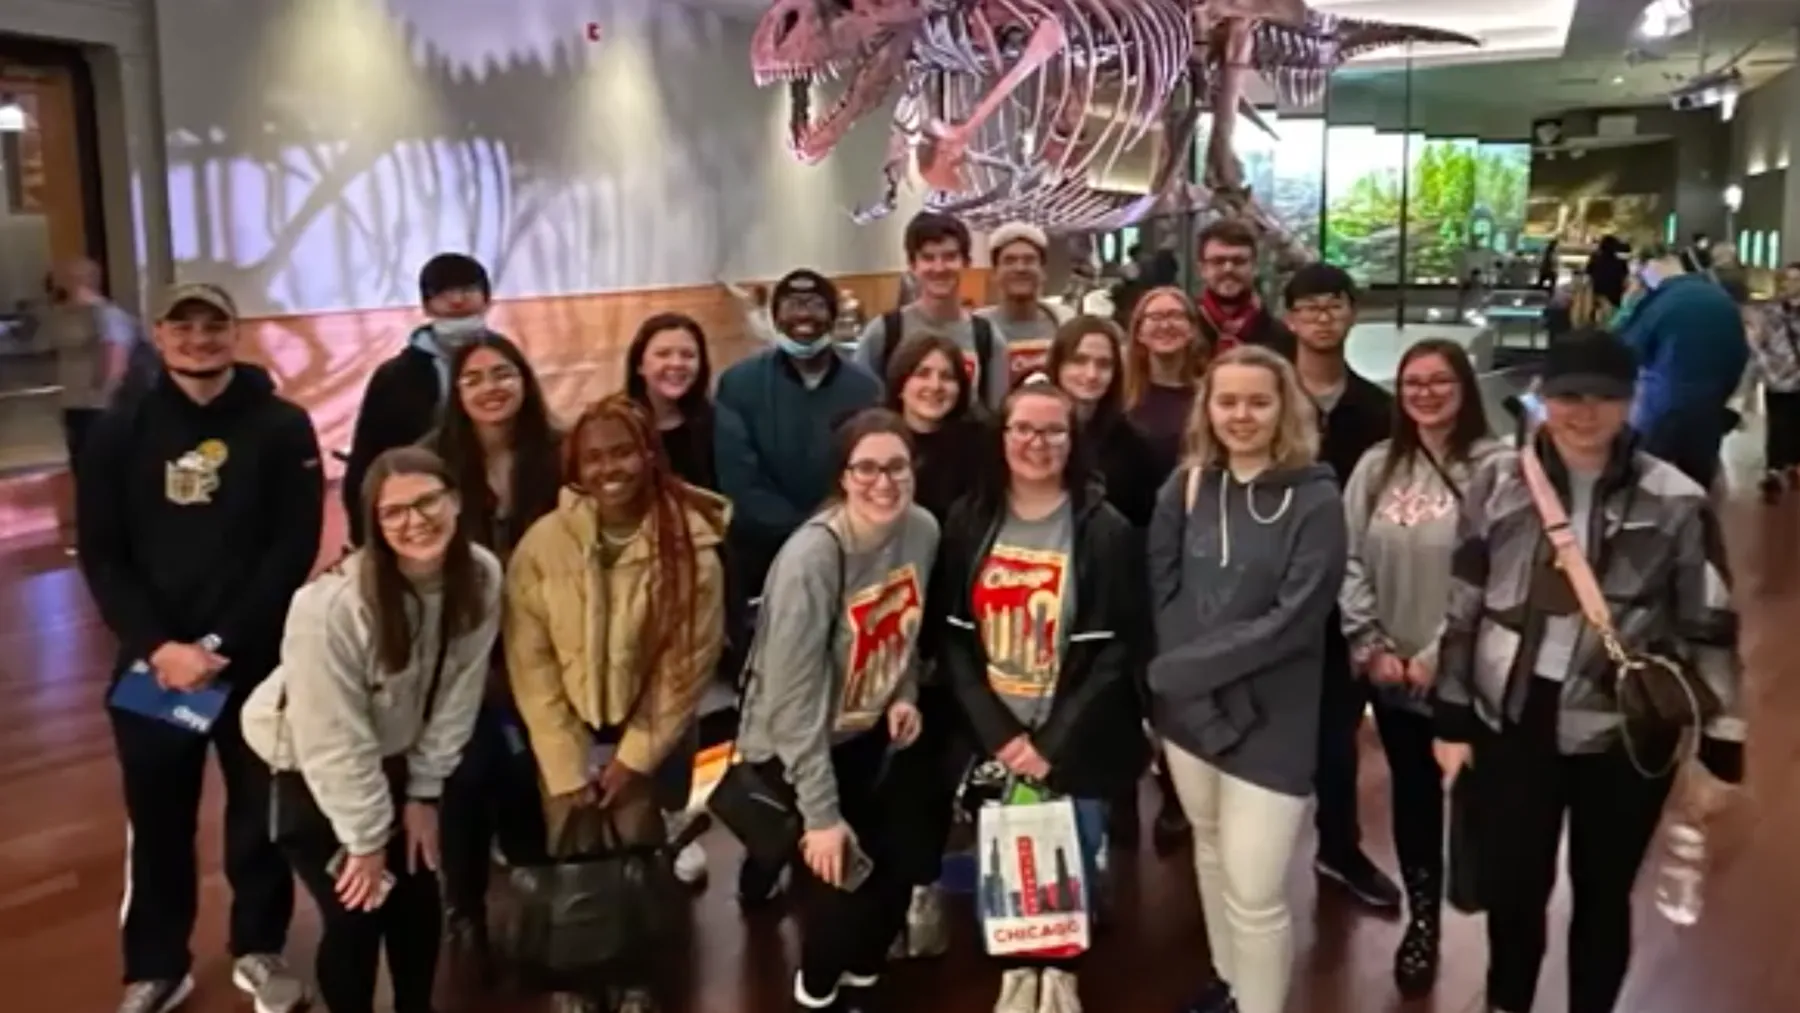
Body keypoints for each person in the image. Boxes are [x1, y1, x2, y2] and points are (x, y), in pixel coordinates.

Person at [1432, 331, 1745, 1013]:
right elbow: (1463, 603)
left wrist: (1723, 745)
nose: (1584, 411)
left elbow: (1710, 622)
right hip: (1513, 717)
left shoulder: (1675, 498)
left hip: (1624, 731)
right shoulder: (1496, 480)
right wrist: (1451, 713)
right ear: (1543, 397)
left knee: (1603, 894)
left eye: (1605, 396)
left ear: (1631, 401)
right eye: (1569, 394)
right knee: (1515, 889)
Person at [78, 281, 323, 1013]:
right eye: (182, 324)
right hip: (161, 668)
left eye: (213, 323)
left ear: (236, 331)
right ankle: (156, 964)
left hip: (253, 663)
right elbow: (103, 555)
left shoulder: (282, 426)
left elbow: (292, 549)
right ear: (158, 332)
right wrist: (162, 646)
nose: (198, 337)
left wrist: (215, 643)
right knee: (157, 819)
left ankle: (259, 947)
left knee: (259, 813)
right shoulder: (118, 430)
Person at [241, 446, 501, 1013]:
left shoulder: (480, 573)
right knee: (357, 911)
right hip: (305, 763)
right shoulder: (329, 608)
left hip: (400, 751)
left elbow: (459, 691)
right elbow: (333, 739)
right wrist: (365, 838)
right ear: (373, 525)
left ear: (455, 500)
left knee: (416, 895)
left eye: (428, 500)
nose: (416, 520)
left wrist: (424, 792)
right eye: (394, 511)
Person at [506, 394, 729, 1013]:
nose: (611, 468)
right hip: (567, 733)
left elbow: (687, 663)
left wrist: (635, 757)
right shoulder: (541, 545)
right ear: (575, 467)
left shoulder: (691, 544)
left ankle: (636, 972)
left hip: (647, 734)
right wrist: (563, 759)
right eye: (595, 456)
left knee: (638, 853)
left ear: (648, 454)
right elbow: (531, 661)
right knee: (571, 854)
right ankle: (576, 980)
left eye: (624, 451)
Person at [1147, 345, 1346, 1013]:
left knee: (1257, 891)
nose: (1241, 414)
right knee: (1209, 849)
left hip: (1273, 720)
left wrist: (1179, 672)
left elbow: (1294, 621)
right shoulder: (1187, 485)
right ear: (1207, 407)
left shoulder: (1317, 500)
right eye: (1227, 400)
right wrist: (1187, 691)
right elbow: (1162, 591)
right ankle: (1229, 985)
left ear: (1283, 407)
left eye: (1258, 401)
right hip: (1188, 720)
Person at [938, 382, 1147, 1013]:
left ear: (1074, 440)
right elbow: (952, 641)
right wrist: (1000, 735)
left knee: (1071, 854)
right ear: (1001, 438)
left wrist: (1051, 744)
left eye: (1054, 431)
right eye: (1023, 429)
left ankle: (1062, 969)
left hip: (1074, 735)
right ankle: (1016, 966)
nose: (1038, 444)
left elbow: (1116, 648)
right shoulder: (968, 519)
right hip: (992, 731)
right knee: (1002, 861)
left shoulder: (1104, 529)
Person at [734, 408, 940, 1013]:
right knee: (835, 899)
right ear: (843, 477)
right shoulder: (813, 558)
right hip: (801, 747)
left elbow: (907, 627)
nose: (885, 482)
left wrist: (904, 694)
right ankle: (817, 991)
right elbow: (791, 700)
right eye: (867, 469)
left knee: (887, 885)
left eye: (897, 467)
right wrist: (820, 814)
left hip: (869, 734)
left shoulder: (921, 530)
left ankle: (861, 980)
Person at [1337, 339, 1505, 997]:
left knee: (1482, 802)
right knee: (1413, 795)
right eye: (1413, 383)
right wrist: (1370, 642)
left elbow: (1498, 571)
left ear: (1464, 387)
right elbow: (1348, 557)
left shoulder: (1498, 468)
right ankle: (1424, 917)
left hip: (1468, 672)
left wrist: (1442, 652)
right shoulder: (1377, 467)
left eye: (1440, 381)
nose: (1427, 393)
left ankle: (1499, 931)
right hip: (1390, 668)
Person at [716, 268, 884, 907]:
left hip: (852, 569)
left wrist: (840, 542)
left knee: (836, 711)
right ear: (776, 313)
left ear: (832, 312)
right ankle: (766, 852)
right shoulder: (739, 385)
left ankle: (828, 844)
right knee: (772, 718)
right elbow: (740, 478)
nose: (806, 314)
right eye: (794, 303)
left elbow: (867, 471)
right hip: (764, 571)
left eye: (817, 302)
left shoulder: (865, 386)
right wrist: (813, 541)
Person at [427, 332, 563, 971]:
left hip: (545, 642)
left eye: (503, 372)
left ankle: (540, 905)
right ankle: (466, 909)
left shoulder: (558, 453)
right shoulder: (432, 463)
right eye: (474, 378)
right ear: (456, 393)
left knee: (525, 774)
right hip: (461, 651)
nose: (491, 387)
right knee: (465, 772)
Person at [1283, 262, 1401, 911]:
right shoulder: (1266, 401)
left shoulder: (1379, 410)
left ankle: (1339, 845)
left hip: (1346, 597)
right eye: (1310, 307)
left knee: (1337, 731)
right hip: (1270, 598)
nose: (1323, 317)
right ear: (1290, 318)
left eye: (1335, 306)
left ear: (1352, 314)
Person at [879, 333, 985, 957]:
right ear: (899, 380)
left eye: (946, 376)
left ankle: (925, 886)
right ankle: (890, 892)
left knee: (940, 768)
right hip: (887, 626)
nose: (934, 386)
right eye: (922, 374)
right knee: (889, 773)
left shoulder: (976, 447)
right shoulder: (874, 440)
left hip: (955, 626)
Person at [343, 253, 493, 546]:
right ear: (426, 305)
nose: (457, 300)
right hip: (419, 517)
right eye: (443, 292)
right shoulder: (395, 377)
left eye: (469, 289)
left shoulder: (509, 364)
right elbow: (365, 462)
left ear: (488, 299)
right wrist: (365, 540)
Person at [1618, 245, 1748, 490]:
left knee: (1647, 483)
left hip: (1660, 409)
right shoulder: (1721, 300)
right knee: (1697, 486)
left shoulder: (1660, 301)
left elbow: (1626, 350)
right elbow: (1738, 357)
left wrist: (1628, 306)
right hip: (1708, 410)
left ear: (1659, 264)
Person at [856, 212, 1009, 409]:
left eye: (950, 257)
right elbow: (862, 413)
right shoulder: (884, 333)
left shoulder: (987, 338)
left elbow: (996, 417)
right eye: (928, 258)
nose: (939, 268)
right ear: (912, 266)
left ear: (966, 263)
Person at [1047, 315, 1159, 528]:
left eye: (1104, 364)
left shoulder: (1134, 446)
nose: (1091, 374)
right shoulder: (1029, 432)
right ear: (1058, 365)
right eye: (1079, 360)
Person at [627, 312, 717, 491]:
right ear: (639, 365)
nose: (676, 363)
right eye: (663, 354)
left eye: (688, 355)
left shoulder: (717, 425)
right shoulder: (617, 426)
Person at [977, 222, 1069, 385]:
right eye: (1009, 260)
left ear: (1043, 271)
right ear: (994, 273)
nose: (1020, 268)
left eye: (1029, 260)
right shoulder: (975, 329)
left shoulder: (1065, 324)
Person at [1192, 220, 1296, 359]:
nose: (1228, 269)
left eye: (1238, 261)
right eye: (1218, 261)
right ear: (1202, 269)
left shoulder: (1283, 338)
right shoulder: (1185, 333)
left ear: (1255, 267)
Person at [1752, 262, 1800, 500]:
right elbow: (1758, 344)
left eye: (1795, 279)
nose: (1790, 284)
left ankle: (1791, 466)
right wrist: (1767, 369)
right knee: (1778, 425)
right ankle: (1775, 470)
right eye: (1787, 279)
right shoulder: (1771, 311)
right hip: (1778, 379)